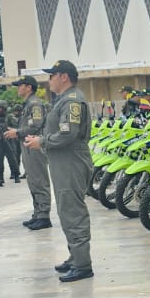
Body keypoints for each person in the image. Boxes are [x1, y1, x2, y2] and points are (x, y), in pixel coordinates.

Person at [25, 60, 94, 282]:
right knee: (66, 210)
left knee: (73, 211)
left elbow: (68, 134)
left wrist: (42, 141)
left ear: (64, 77)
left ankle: (83, 264)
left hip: (71, 160)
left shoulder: (72, 100)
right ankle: (76, 257)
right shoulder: (62, 100)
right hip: (63, 161)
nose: (49, 80)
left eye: (52, 75)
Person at [7, 75, 53, 231]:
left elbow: (36, 126)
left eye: (20, 85)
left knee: (39, 179)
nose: (18, 88)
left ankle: (44, 216)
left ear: (28, 87)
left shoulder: (35, 104)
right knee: (33, 180)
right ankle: (38, 213)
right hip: (28, 145)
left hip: (35, 146)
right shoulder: (28, 104)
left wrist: (17, 132)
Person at [0, 100, 16, 185]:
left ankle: (16, 175)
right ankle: (0, 177)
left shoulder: (10, 117)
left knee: (12, 159)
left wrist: (9, 129)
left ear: (4, 108)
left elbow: (16, 125)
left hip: (9, 139)